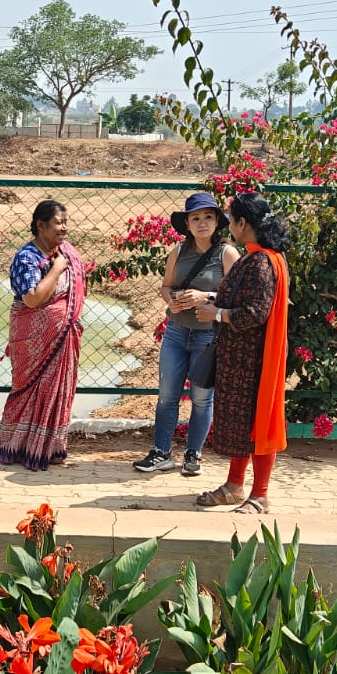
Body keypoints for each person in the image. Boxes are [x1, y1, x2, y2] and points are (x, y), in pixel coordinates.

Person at [192, 192, 291, 514]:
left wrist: (216, 314)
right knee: (243, 425)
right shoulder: (257, 257)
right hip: (241, 359)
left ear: (243, 223)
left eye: (231, 220)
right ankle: (235, 487)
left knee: (258, 423)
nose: (229, 226)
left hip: (253, 362)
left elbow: (254, 313)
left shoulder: (262, 262)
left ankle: (259, 495)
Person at [133, 192, 240, 476]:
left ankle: (193, 455)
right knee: (167, 396)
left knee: (202, 398)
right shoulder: (178, 252)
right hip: (177, 333)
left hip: (208, 337)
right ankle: (161, 453)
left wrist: (204, 295)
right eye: (195, 218)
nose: (202, 223)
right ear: (188, 224)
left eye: (207, 217)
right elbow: (165, 286)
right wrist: (173, 299)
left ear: (217, 221)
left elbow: (238, 296)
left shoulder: (227, 254)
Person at [0, 201, 87, 471]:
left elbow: (77, 292)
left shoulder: (67, 252)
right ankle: (16, 446)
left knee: (57, 391)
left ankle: (51, 447)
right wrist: (56, 270)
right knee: (29, 389)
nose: (64, 228)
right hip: (32, 342)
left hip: (63, 339)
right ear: (40, 225)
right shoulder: (27, 258)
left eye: (65, 222)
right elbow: (32, 299)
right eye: (58, 222)